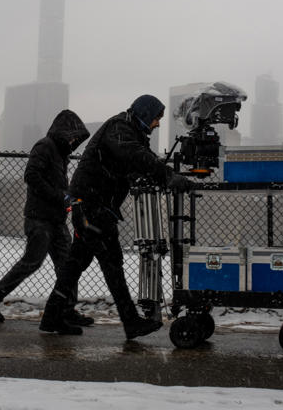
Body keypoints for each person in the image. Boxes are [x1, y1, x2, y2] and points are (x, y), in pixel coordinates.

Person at [39, 95, 192, 339]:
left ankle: (52, 316)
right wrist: (167, 175)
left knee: (76, 264)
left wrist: (158, 176)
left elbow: (133, 164)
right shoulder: (119, 129)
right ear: (143, 114)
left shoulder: (129, 131)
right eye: (155, 118)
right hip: (93, 206)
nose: (157, 124)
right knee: (111, 263)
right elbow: (134, 156)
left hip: (94, 205)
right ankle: (129, 321)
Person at [0, 109, 91, 325]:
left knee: (68, 265)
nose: (75, 141)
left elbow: (52, 182)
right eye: (73, 136)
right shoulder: (45, 147)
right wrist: (60, 196)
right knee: (32, 262)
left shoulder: (60, 153)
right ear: (64, 132)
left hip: (56, 219)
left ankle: (66, 310)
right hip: (39, 218)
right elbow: (31, 175)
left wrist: (67, 196)